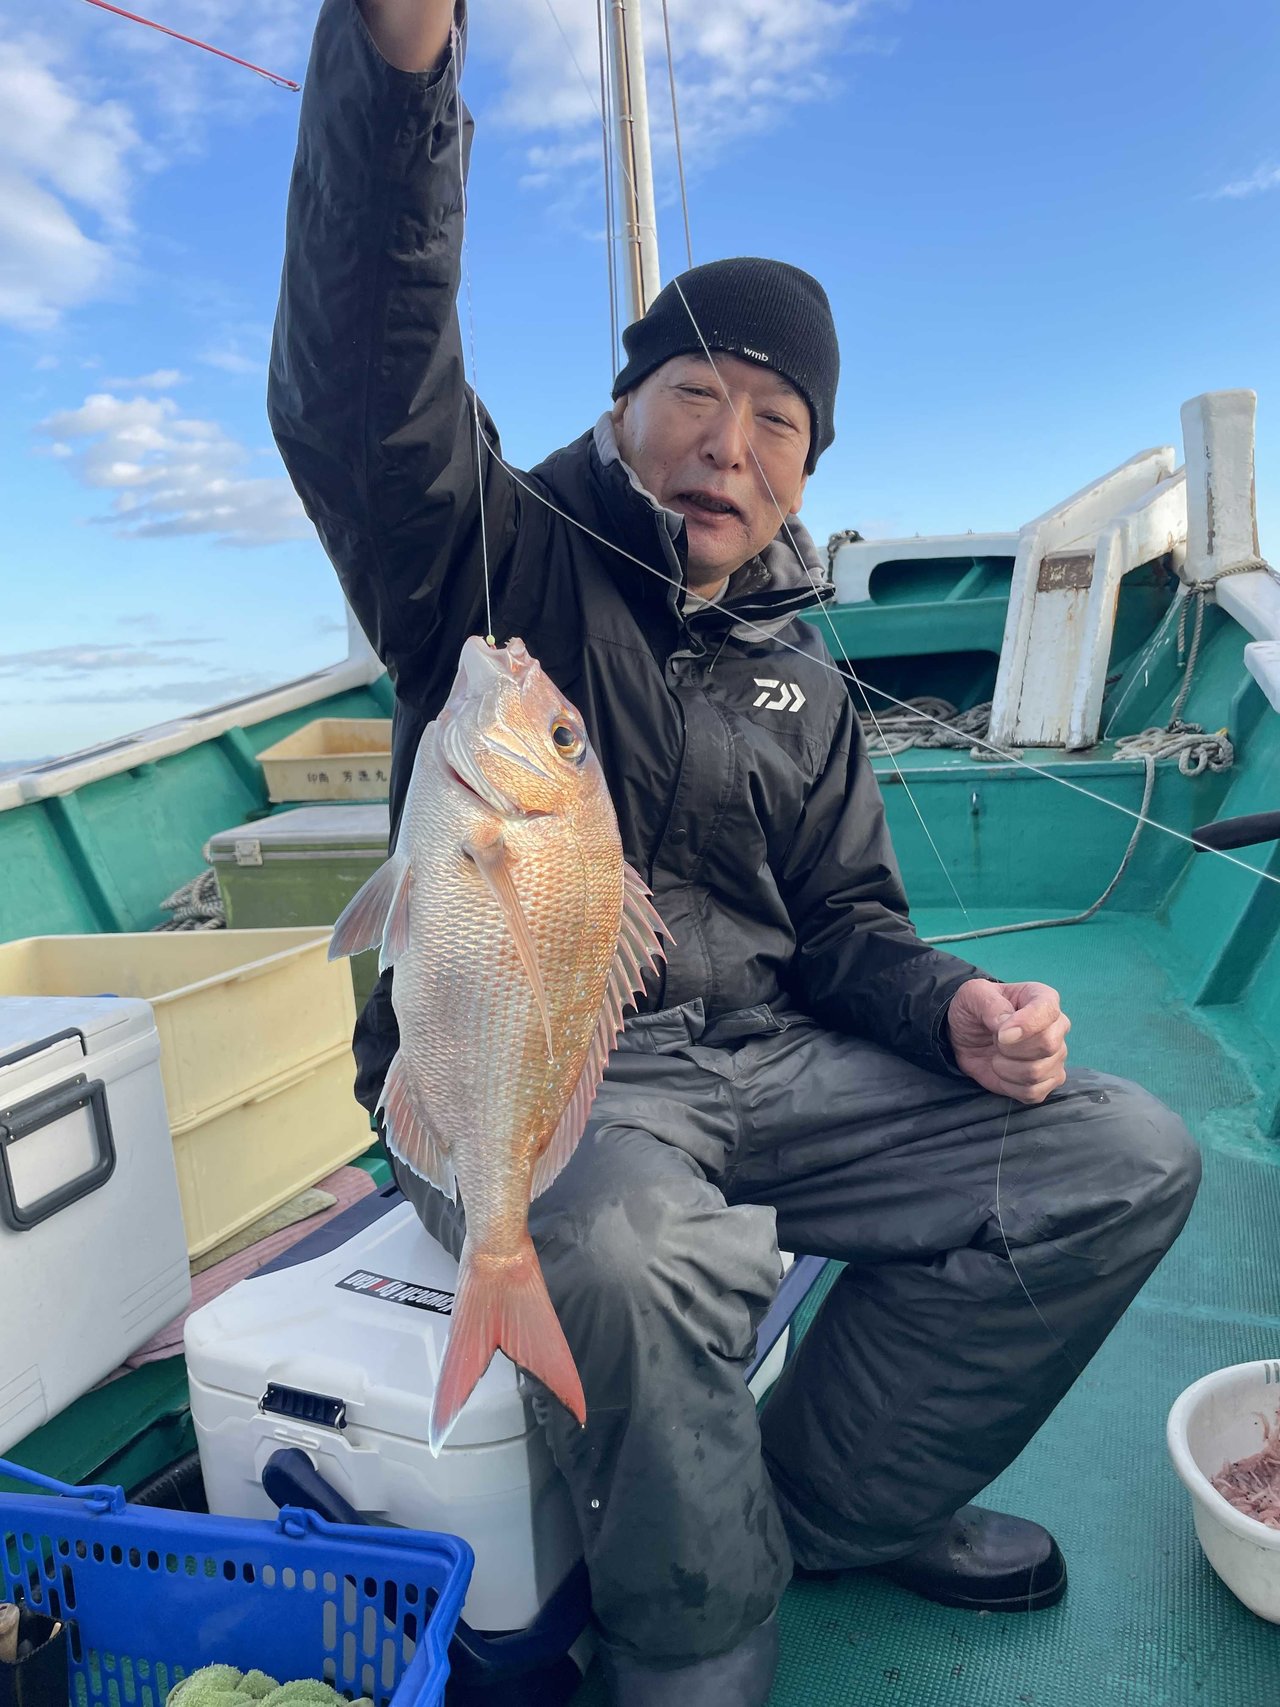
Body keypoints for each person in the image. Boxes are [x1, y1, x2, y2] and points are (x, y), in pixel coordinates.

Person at [268, 3, 1202, 1701]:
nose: (730, 442)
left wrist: (953, 1008)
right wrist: (402, 73)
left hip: (769, 1059)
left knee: (1122, 1155)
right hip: (532, 1080)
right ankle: (695, 1624)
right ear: (625, 405)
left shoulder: (806, 672)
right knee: (631, 1249)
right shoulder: (482, 562)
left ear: (806, 469)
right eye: (695, 392)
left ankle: (831, 1507)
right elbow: (361, 387)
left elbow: (845, 925)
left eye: (779, 421)